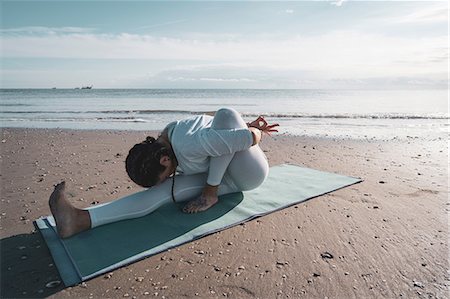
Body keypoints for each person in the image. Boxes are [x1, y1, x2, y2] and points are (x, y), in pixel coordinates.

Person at [49, 108, 279, 238]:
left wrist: (253, 129)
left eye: (166, 174)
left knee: (227, 114)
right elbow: (211, 133)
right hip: (216, 163)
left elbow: (250, 138)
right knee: (161, 193)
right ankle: (79, 219)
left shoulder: (189, 145)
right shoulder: (166, 137)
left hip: (248, 171)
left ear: (165, 159)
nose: (169, 177)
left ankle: (212, 193)